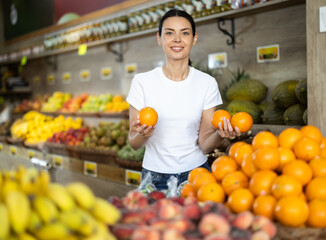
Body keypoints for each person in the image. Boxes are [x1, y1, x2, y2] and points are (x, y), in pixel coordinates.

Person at [126, 9, 241, 190]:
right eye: (169, 33)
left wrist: (221, 134)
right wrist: (142, 134)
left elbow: (204, 145)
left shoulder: (207, 83)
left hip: (197, 174)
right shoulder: (142, 82)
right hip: (154, 177)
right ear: (159, 39)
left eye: (185, 33)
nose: (177, 39)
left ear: (194, 39)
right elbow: (133, 143)